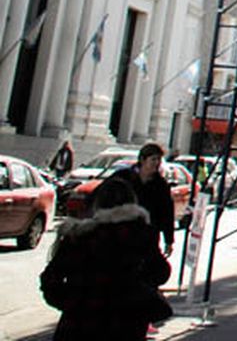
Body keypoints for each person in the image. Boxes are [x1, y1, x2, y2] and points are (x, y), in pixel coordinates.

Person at [39, 175, 172, 341]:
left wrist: (71, 303)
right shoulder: (141, 234)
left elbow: (50, 279)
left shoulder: (79, 236)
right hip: (126, 323)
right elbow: (161, 273)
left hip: (80, 324)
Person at [110, 142, 176, 257]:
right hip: (121, 234)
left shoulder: (160, 185)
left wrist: (169, 240)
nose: (157, 163)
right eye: (153, 159)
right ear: (142, 159)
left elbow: (167, 212)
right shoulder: (123, 177)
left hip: (147, 236)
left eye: (159, 160)